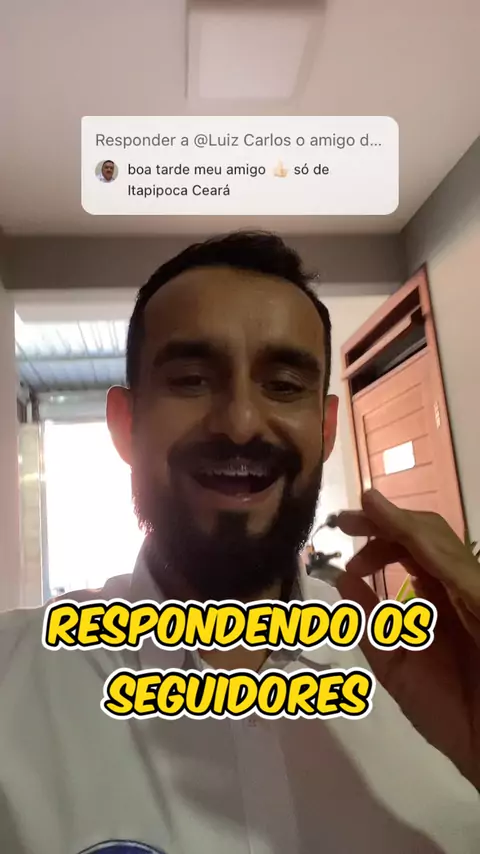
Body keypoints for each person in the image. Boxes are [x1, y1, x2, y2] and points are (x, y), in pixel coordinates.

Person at [1, 231, 479, 854]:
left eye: (283, 385)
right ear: (125, 424)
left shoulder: (436, 681)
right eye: (192, 379)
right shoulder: (14, 680)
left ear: (326, 429)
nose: (241, 423)